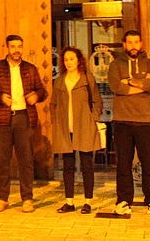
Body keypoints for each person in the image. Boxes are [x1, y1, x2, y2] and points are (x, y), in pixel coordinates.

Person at [0, 34, 46, 212]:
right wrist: (0, 97)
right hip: (2, 119)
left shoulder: (30, 69)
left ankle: (27, 199)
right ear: (7, 48)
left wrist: (36, 96)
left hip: (24, 118)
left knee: (26, 159)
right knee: (3, 160)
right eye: (13, 46)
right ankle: (2, 198)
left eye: (19, 46)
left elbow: (42, 90)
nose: (17, 50)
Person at [107, 29, 150, 217]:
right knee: (123, 164)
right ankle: (123, 201)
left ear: (141, 44)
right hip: (122, 121)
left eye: (136, 42)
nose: (133, 45)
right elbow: (116, 86)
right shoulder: (116, 65)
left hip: (145, 120)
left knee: (149, 164)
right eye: (129, 42)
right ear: (124, 45)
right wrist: (142, 84)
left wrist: (129, 82)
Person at [51, 46, 102, 214]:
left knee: (87, 165)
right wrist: (56, 121)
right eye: (66, 60)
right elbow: (53, 104)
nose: (69, 62)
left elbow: (97, 100)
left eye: (72, 59)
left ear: (79, 60)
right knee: (68, 165)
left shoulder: (87, 79)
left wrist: (93, 117)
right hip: (66, 129)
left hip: (85, 126)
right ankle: (69, 201)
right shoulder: (59, 81)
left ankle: (87, 201)